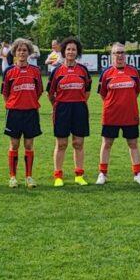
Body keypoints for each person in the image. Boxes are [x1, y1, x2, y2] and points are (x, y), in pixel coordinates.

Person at [97, 43, 140, 185]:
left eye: (122, 52)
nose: (119, 55)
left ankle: (138, 173)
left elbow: (137, 91)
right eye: (116, 53)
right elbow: (103, 94)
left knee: (133, 143)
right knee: (107, 143)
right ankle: (102, 173)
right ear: (111, 55)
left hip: (130, 115)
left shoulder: (133, 72)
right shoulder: (106, 73)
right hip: (111, 115)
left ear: (126, 55)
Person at [47, 37, 91, 187]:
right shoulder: (57, 71)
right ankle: (58, 175)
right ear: (64, 52)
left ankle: (79, 175)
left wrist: (78, 102)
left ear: (77, 52)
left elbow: (87, 91)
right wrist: (57, 105)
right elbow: (50, 94)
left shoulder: (83, 70)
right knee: (62, 143)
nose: (71, 52)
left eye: (74, 49)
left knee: (78, 143)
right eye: (68, 49)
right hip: (62, 109)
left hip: (79, 108)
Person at [1, 38, 43, 188]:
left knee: (29, 144)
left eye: (24, 50)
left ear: (29, 52)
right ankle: (13, 177)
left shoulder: (35, 71)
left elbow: (38, 91)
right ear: (14, 52)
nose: (22, 53)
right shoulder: (9, 72)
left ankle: (29, 177)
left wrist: (29, 101)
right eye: (19, 50)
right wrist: (13, 104)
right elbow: (5, 93)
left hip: (31, 112)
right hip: (14, 113)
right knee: (14, 144)